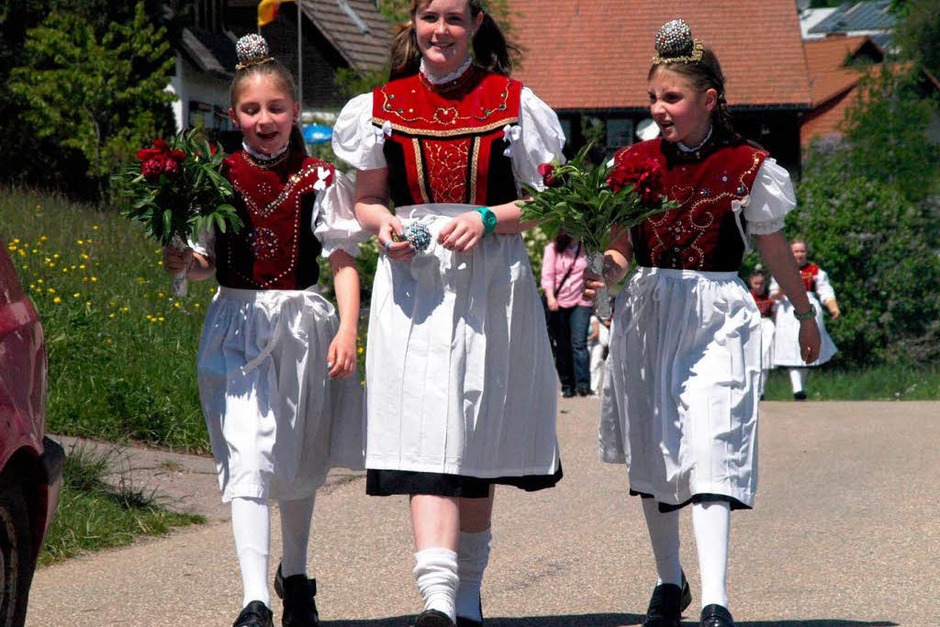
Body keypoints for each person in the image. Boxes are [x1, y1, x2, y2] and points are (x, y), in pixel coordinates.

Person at [332, 1, 565, 625]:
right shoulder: (381, 105)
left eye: (455, 18)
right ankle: (437, 599)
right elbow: (368, 199)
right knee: (423, 432)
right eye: (431, 16)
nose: (442, 30)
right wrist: (384, 227)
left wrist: (488, 217)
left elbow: (550, 201)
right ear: (414, 21)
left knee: (473, 439)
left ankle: (466, 595)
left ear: (476, 23)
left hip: (491, 283)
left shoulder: (512, 103)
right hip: (414, 285)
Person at [585, 20, 822, 627]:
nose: (658, 109)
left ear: (709, 99)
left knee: (715, 442)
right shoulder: (631, 163)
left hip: (718, 314)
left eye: (672, 97)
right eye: (653, 98)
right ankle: (671, 582)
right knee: (657, 449)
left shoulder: (748, 165)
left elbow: (772, 248)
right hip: (650, 310)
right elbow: (619, 248)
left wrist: (803, 313)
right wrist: (606, 271)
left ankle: (716, 599)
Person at [163, 34, 365, 627]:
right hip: (237, 326)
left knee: (297, 458)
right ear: (234, 116)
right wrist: (186, 262)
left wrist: (348, 330)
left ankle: (295, 575)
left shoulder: (320, 179)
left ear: (294, 111)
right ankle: (254, 599)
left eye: (275, 107)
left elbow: (342, 260)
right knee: (248, 453)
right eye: (251, 110)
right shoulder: (215, 178)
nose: (264, 119)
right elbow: (207, 261)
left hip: (301, 327)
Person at [770, 238, 839, 400]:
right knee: (792, 347)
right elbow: (774, 294)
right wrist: (781, 289)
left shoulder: (815, 271)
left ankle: (800, 387)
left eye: (802, 251)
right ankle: (797, 389)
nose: (799, 254)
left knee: (807, 349)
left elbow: (825, 291)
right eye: (796, 251)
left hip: (809, 308)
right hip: (788, 311)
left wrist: (833, 307)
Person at [541, 231, 593, 397]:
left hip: (581, 302)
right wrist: (550, 297)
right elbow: (548, 275)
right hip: (558, 302)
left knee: (579, 343)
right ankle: (567, 385)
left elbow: (594, 274)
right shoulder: (553, 249)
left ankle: (583, 385)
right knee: (562, 346)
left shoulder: (588, 249)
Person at [748, 267, 776, 399]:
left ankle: (761, 391)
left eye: (761, 283)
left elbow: (776, 312)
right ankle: (752, 390)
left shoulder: (771, 296)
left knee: (765, 359)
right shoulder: (747, 296)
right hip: (752, 327)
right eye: (756, 283)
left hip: (767, 325)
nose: (759, 286)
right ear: (751, 283)